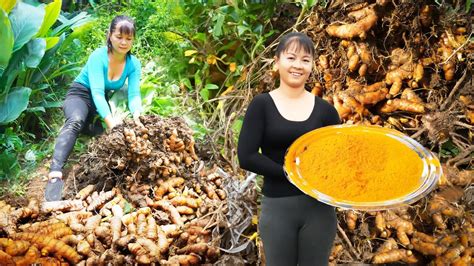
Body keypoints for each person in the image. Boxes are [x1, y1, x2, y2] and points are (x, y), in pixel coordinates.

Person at [237, 32, 341, 266]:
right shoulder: (262, 105)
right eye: (291, 57)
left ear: (312, 65)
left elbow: (338, 158)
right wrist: (291, 173)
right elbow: (247, 156)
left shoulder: (325, 111)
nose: (298, 65)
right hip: (278, 208)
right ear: (277, 61)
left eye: (306, 60)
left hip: (319, 210)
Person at [45, 15, 142, 201]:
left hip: (101, 102)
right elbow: (96, 92)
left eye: (128, 39)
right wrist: (111, 124)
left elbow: (134, 94)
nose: (123, 42)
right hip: (81, 94)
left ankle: (85, 128)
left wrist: (138, 117)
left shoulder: (133, 63)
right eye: (119, 37)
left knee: (106, 136)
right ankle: (55, 172)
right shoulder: (98, 56)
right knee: (76, 121)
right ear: (110, 35)